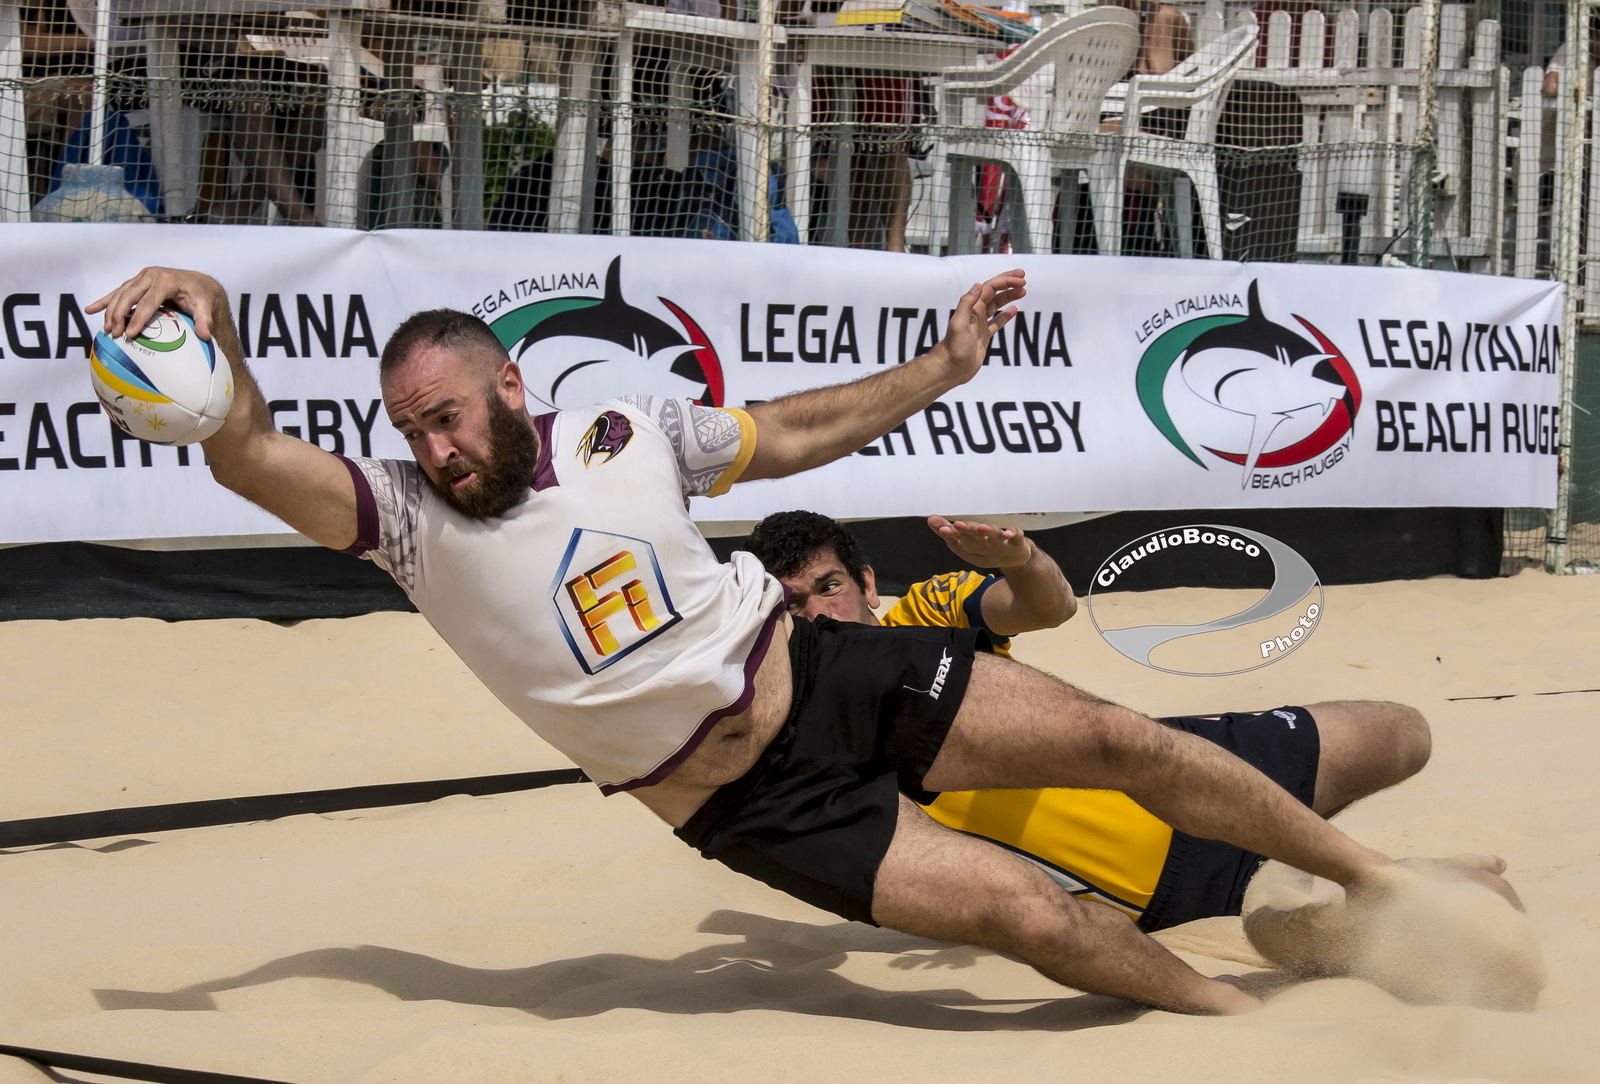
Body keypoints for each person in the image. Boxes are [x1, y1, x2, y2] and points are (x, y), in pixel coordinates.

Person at [90, 264, 1513, 1017]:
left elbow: (792, 432)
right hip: (745, 805)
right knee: (1034, 919)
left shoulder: (621, 423)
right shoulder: (402, 520)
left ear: (508, 385)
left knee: (1113, 736)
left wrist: (947, 368)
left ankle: (1387, 888)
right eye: (410, 429)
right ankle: (1241, 1015)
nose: (434, 447)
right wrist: (212, 322)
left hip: (822, 670)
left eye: (447, 416)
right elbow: (247, 447)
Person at [743, 509, 1450, 931]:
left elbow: (1047, 607)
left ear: (867, 582)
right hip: (1165, 886)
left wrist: (1024, 559)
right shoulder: (799, 725)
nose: (818, 613)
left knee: (1401, 732)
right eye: (791, 603)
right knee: (1446, 913)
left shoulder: (924, 613)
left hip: (1187, 757)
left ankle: (1321, 850)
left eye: (830, 587)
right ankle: (1362, 871)